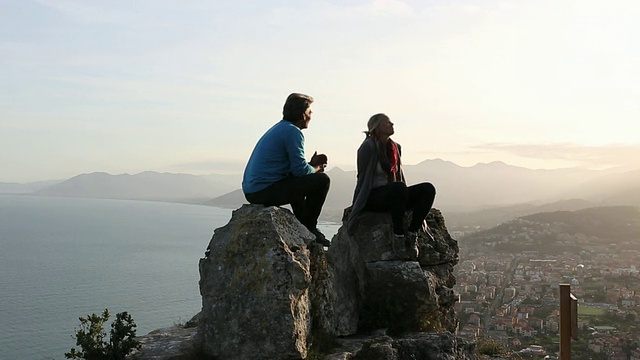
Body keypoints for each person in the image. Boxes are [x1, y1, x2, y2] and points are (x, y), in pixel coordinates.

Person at [242, 93, 331, 246]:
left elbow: (295, 170)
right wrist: (317, 168)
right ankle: (309, 227)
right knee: (323, 180)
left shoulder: (281, 128)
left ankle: (303, 223)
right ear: (303, 115)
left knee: (295, 181)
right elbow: (300, 172)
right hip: (264, 190)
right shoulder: (293, 132)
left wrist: (309, 164)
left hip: (254, 190)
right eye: (310, 113)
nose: (311, 116)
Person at [347, 113, 436, 257]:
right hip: (374, 197)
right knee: (398, 187)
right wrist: (356, 205)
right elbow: (362, 178)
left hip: (395, 194)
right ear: (377, 127)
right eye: (387, 123)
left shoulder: (395, 147)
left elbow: (398, 175)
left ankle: (412, 233)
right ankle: (398, 236)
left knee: (427, 189)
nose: (392, 124)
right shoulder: (367, 147)